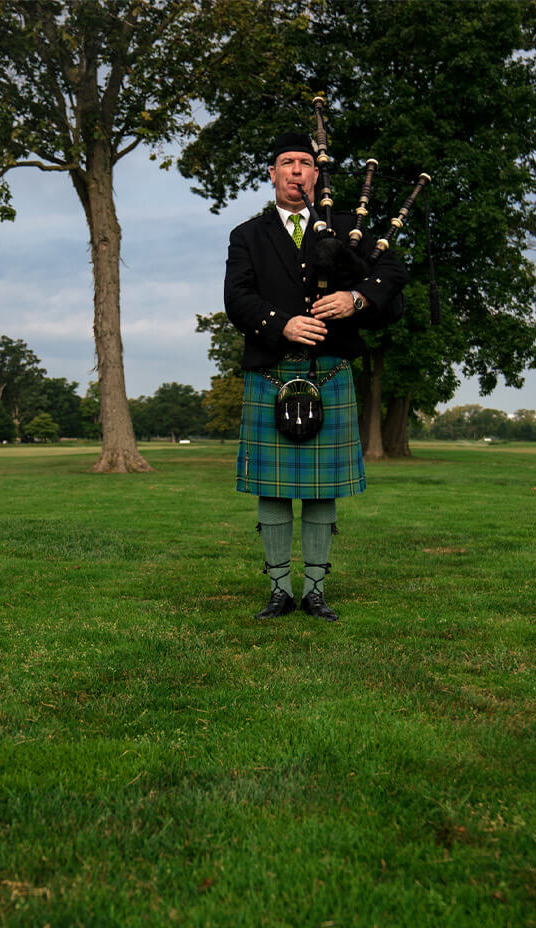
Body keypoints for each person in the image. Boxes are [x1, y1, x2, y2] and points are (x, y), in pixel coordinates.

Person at [223, 132, 408, 620]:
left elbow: (393, 275)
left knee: (324, 489)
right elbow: (236, 299)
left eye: (306, 162)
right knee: (274, 488)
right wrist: (280, 323)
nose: (297, 170)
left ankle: (316, 590)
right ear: (273, 174)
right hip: (271, 373)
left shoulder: (347, 229)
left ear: (316, 173)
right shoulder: (248, 235)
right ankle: (281, 589)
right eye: (287, 162)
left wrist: (357, 299)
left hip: (329, 371)